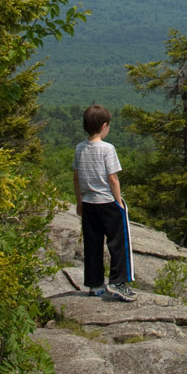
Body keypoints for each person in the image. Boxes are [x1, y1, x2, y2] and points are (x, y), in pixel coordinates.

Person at [73, 104, 136, 301]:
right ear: (104, 126)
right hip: (107, 202)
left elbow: (76, 177)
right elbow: (113, 179)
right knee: (118, 243)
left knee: (92, 244)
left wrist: (79, 201)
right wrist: (119, 203)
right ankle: (118, 282)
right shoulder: (108, 149)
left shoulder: (79, 148)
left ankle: (95, 285)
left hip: (89, 202)